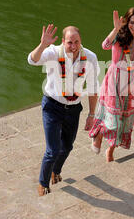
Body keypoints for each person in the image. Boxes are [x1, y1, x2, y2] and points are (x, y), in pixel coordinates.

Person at [27, 24, 99, 196]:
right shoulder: (53, 52)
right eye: (69, 43)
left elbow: (94, 87)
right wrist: (42, 44)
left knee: (67, 146)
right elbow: (32, 60)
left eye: (77, 42)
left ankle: (56, 171)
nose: (73, 46)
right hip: (52, 107)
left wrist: (91, 114)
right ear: (63, 42)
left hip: (74, 109)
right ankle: (43, 184)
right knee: (52, 149)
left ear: (81, 41)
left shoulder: (89, 58)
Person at [89, 8, 134, 162]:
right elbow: (105, 45)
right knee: (111, 115)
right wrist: (116, 29)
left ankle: (110, 150)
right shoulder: (120, 35)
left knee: (123, 118)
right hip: (115, 80)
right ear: (127, 22)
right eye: (131, 22)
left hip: (130, 83)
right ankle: (99, 136)